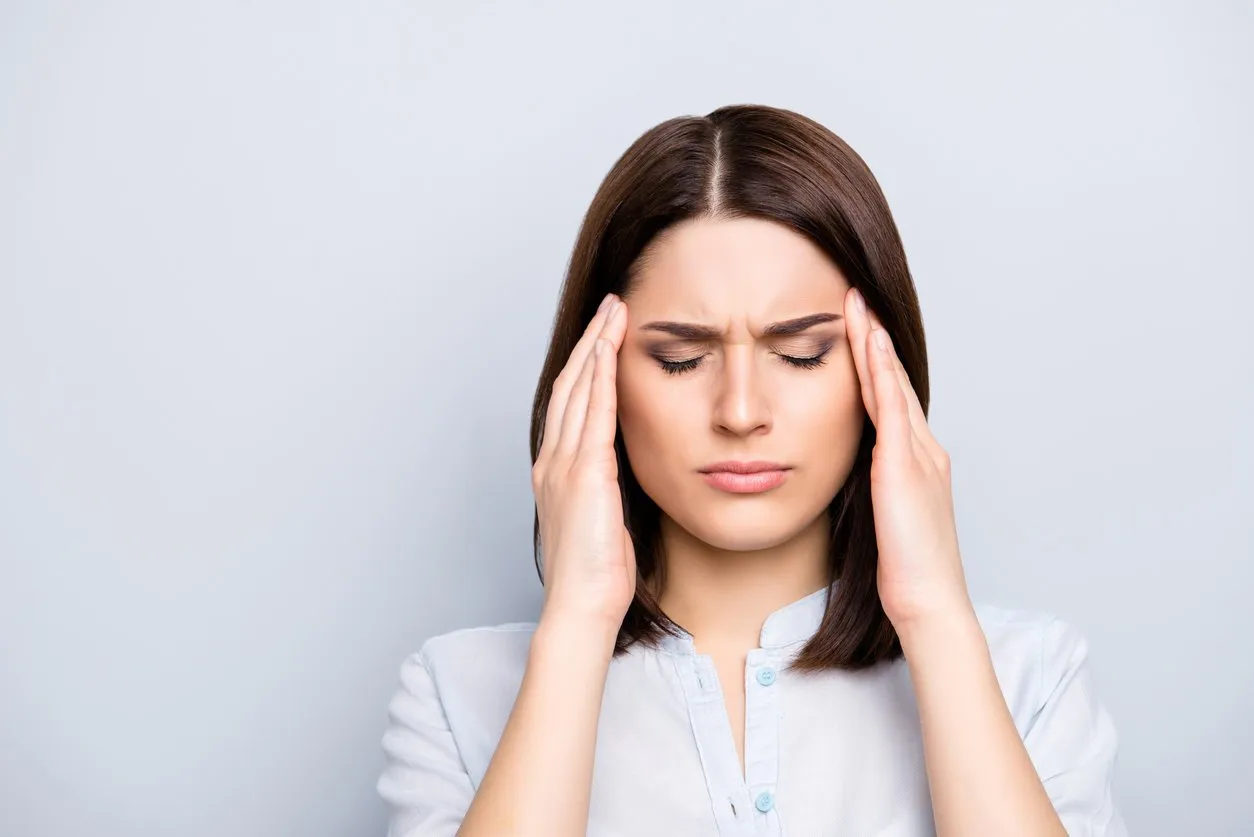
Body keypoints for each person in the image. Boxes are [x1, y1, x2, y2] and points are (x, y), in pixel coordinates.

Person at [376, 104, 1127, 836]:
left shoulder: (1028, 678)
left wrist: (933, 614)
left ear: (880, 368)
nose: (740, 410)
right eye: (681, 358)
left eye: (801, 354)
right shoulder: (459, 693)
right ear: (594, 374)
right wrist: (578, 624)